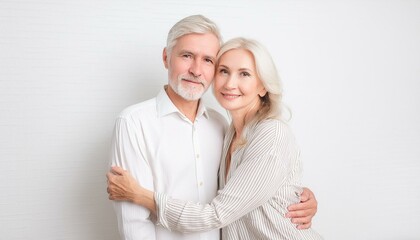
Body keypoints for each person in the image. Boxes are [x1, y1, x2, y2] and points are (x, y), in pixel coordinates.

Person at [108, 15, 318, 240]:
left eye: (208, 60)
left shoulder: (226, 126)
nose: (197, 70)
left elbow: (221, 212)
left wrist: (141, 196)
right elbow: (133, 223)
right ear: (166, 57)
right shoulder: (134, 123)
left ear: (263, 86)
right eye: (187, 56)